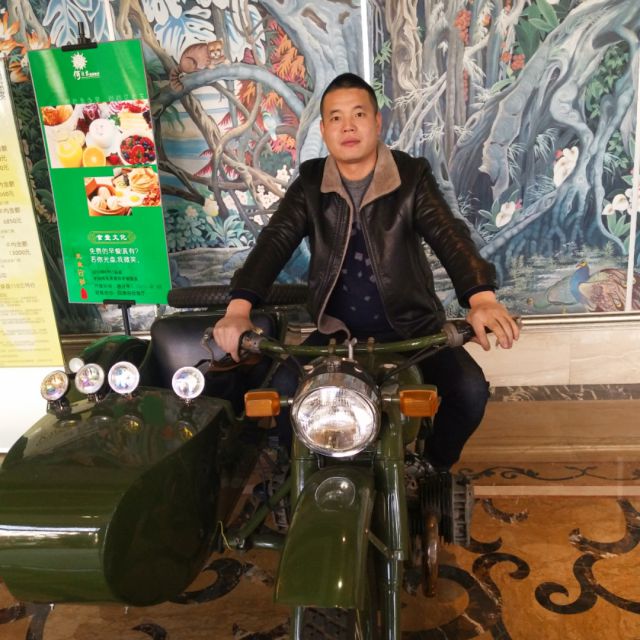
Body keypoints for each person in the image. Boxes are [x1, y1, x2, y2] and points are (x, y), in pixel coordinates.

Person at [213, 72, 519, 469]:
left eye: (358, 114)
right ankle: (302, 481)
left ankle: (431, 468)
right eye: (336, 118)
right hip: (336, 334)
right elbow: (274, 243)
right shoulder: (310, 183)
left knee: (469, 391)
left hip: (415, 331)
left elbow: (449, 235)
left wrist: (482, 298)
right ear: (324, 131)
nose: (348, 126)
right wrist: (238, 310)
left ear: (377, 122)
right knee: (287, 395)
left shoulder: (412, 176)